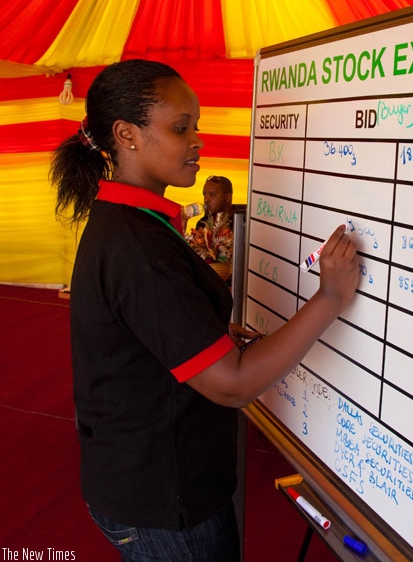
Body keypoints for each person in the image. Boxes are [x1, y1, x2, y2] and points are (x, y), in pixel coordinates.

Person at [49, 59, 359, 562]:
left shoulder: (131, 222)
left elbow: (145, 332)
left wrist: (207, 331)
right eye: (179, 128)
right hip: (165, 502)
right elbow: (231, 383)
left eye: (196, 125)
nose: (198, 141)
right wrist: (329, 297)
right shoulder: (137, 245)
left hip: (142, 482)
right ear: (125, 134)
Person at [185, 176, 235, 271]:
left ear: (227, 197)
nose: (206, 200)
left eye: (212, 195)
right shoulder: (202, 223)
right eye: (204, 195)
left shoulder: (240, 224)